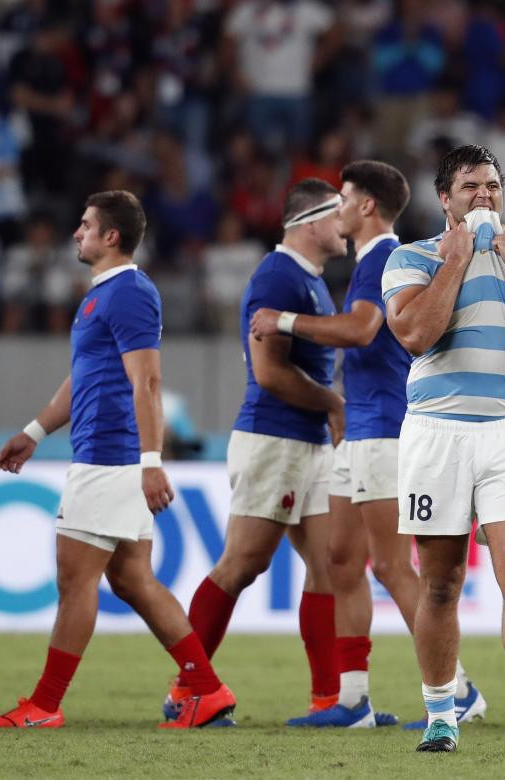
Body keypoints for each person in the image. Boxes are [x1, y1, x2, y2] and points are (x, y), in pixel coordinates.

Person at [0, 190, 235, 729]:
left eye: (85, 224)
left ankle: (45, 705)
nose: (76, 233)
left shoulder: (129, 293)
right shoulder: (102, 295)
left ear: (110, 236)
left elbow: (146, 379)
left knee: (76, 581)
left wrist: (150, 460)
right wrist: (35, 431)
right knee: (133, 581)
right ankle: (208, 691)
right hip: (111, 454)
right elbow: (85, 377)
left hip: (110, 457)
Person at [250, 160, 485, 728]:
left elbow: (360, 330)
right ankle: (353, 699)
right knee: (340, 559)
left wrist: (283, 322)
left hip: (386, 428)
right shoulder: (371, 260)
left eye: (344, 198)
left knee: (388, 563)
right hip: (361, 428)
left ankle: (458, 690)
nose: (337, 208)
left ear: (367, 207)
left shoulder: (382, 257)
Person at [380, 144, 505, 754]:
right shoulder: (410, 257)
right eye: (469, 188)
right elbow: (415, 335)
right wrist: (458, 261)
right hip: (436, 432)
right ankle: (441, 713)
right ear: (444, 199)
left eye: (492, 186)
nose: (484, 198)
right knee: (440, 584)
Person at [168, 179, 346, 725]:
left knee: (326, 567)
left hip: (305, 440)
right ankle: (187, 691)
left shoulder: (309, 280)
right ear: (310, 222)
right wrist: (333, 403)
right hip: (276, 438)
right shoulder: (278, 275)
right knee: (242, 563)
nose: (345, 226)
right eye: (337, 216)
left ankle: (329, 702)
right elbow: (269, 374)